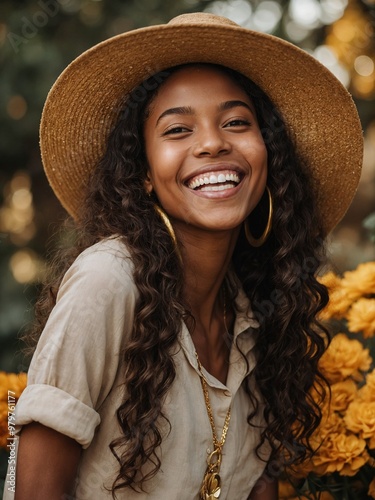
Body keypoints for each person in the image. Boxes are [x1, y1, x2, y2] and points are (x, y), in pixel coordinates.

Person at [4, 12, 363, 500]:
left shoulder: (261, 311)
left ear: (268, 155)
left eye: (236, 122)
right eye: (177, 130)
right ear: (144, 172)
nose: (213, 142)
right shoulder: (108, 283)